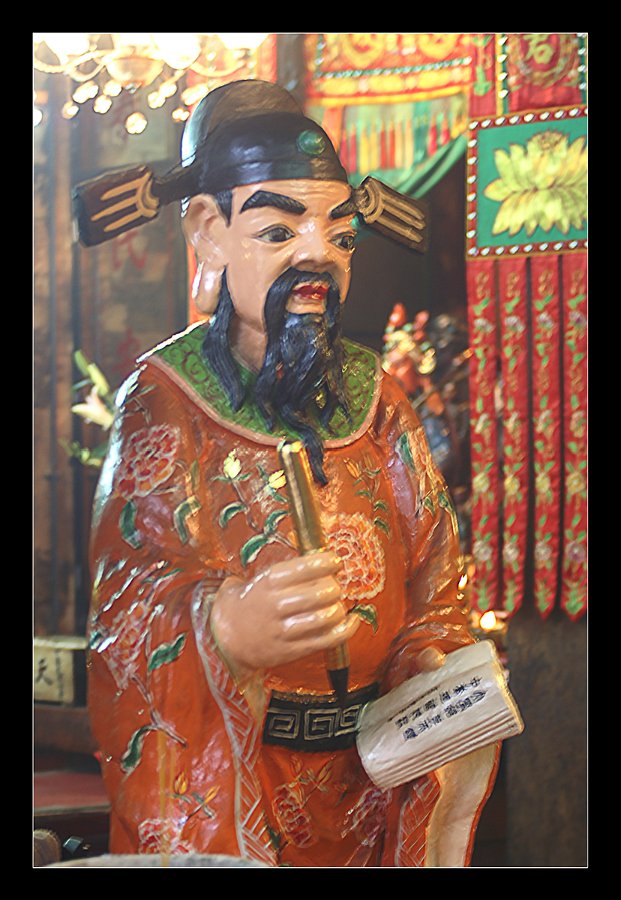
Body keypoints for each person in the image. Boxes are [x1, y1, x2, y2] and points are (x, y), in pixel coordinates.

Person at [82, 80, 498, 867]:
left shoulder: (378, 400)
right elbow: (128, 606)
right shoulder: (165, 401)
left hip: (373, 780)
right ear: (208, 233)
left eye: (339, 235)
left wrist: (431, 655)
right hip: (239, 781)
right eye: (277, 231)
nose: (316, 256)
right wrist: (223, 628)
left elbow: (437, 576)